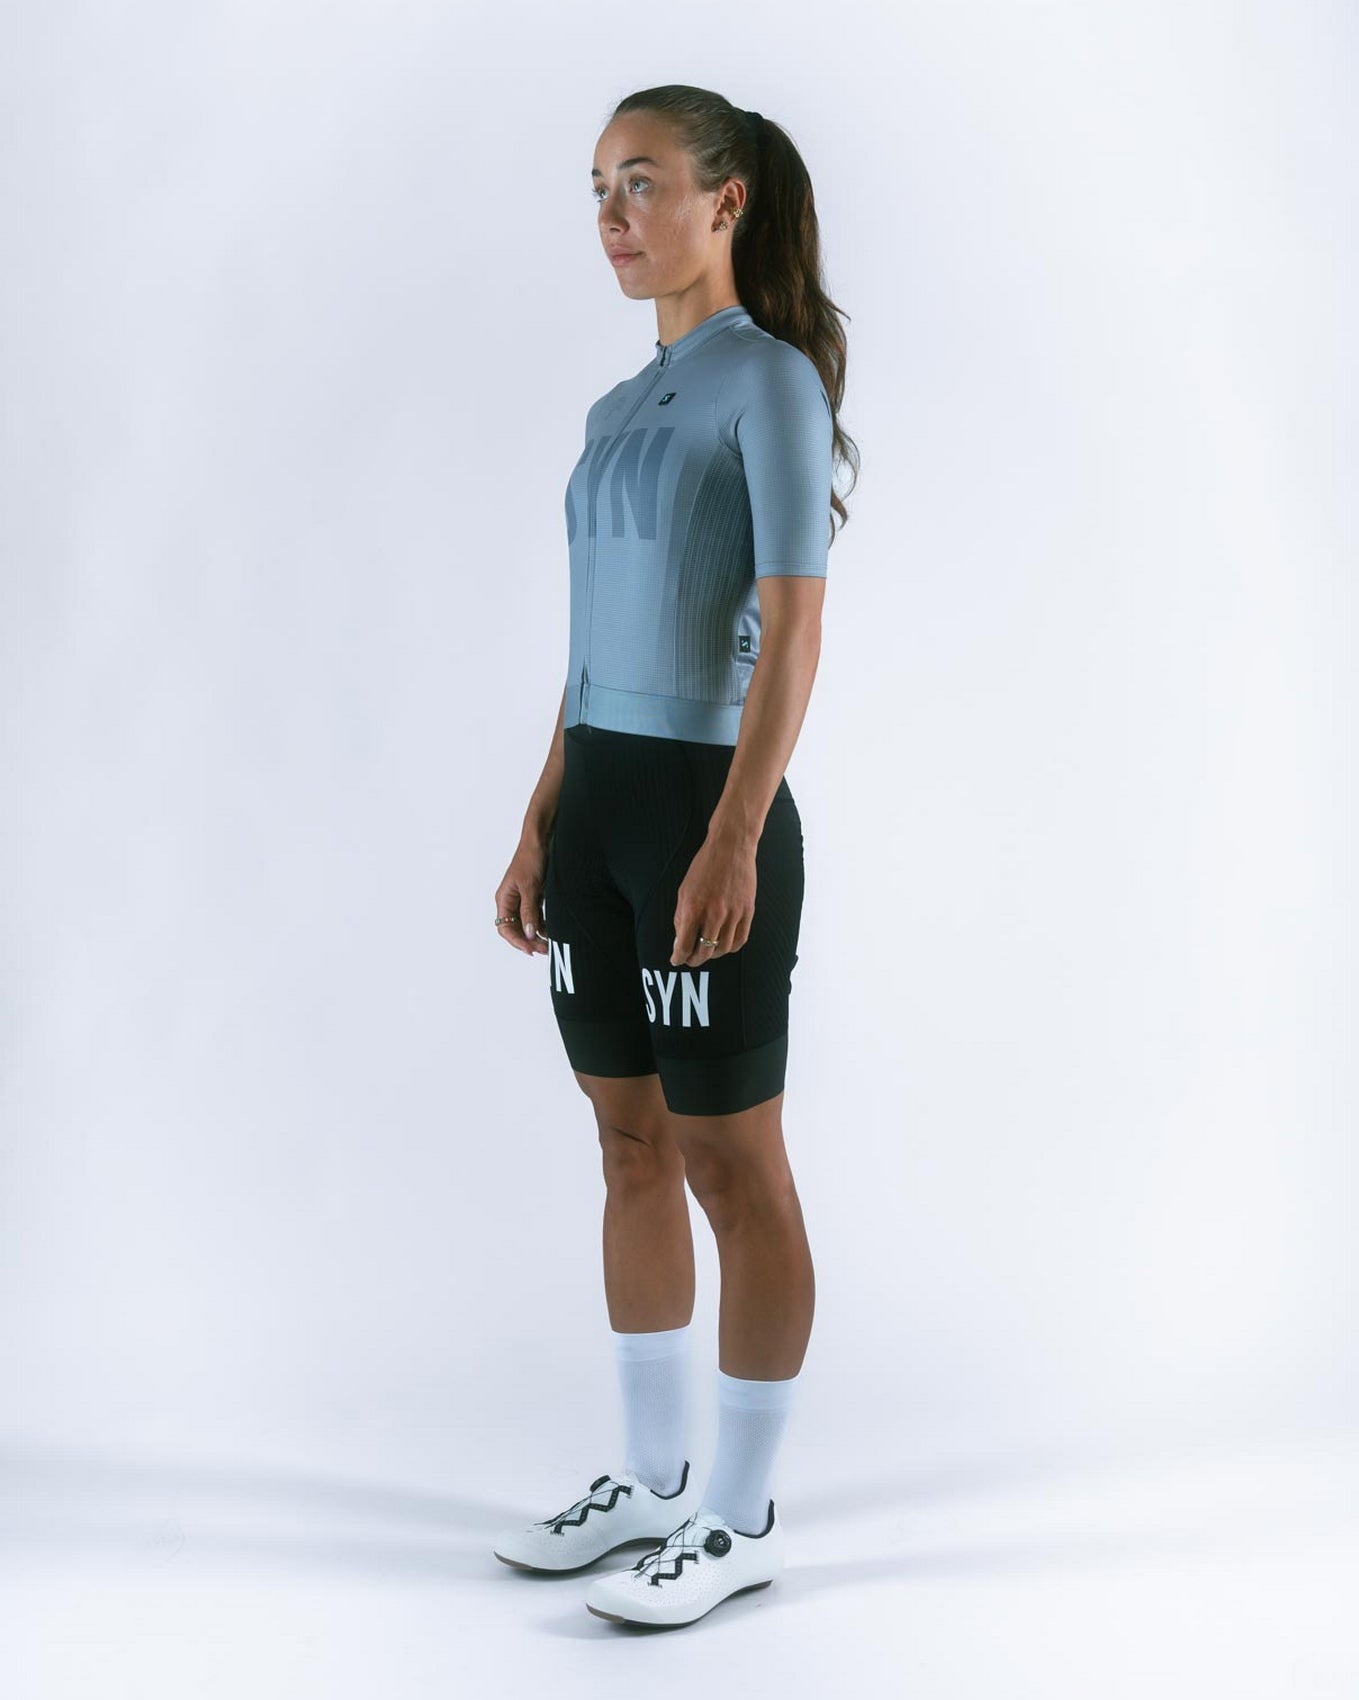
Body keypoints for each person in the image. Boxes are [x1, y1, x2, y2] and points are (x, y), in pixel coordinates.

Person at [490, 85, 858, 1630]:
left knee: (730, 1160)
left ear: (727, 202)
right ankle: (650, 1482)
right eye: (597, 188)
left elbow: (794, 632)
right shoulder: (612, 410)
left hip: (710, 809)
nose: (613, 216)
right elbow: (594, 640)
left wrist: (733, 835)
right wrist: (542, 812)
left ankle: (741, 1515)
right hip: (600, 812)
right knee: (629, 1146)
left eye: (640, 182)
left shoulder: (768, 381)